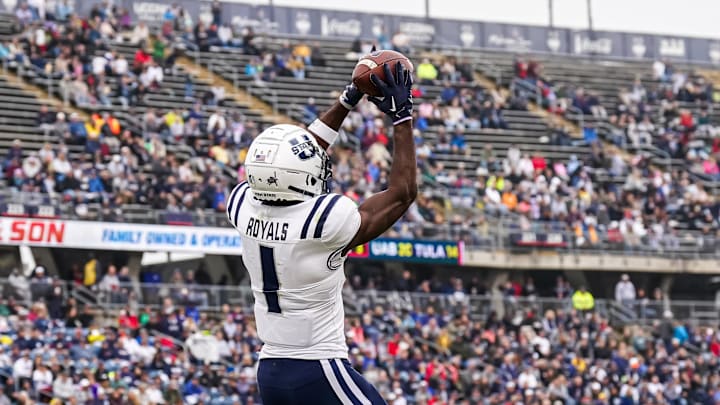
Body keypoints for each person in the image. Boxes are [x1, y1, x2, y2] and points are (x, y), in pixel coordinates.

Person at [226, 62, 415, 405]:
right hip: (316, 367)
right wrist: (402, 116)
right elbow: (402, 193)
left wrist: (348, 99)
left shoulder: (242, 204)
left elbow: (291, 161)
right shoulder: (323, 222)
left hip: (270, 369)